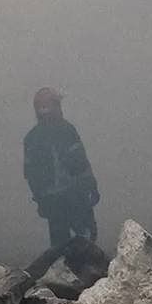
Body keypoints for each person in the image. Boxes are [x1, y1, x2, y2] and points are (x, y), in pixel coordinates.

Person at [22, 87, 99, 246]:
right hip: (75, 197)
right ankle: (86, 268)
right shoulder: (67, 130)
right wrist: (91, 187)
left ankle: (66, 268)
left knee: (59, 246)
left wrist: (41, 200)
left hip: (53, 202)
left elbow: (31, 175)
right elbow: (80, 164)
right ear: (56, 107)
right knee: (86, 239)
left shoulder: (32, 138)